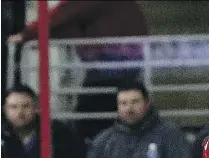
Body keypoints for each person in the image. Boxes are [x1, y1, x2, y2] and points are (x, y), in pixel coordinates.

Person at [8, 0, 148, 141]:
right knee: (106, 114)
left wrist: (27, 34)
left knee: (90, 116)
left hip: (112, 60)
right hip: (125, 59)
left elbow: (63, 14)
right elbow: (67, 23)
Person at [81, 81, 193, 158]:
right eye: (123, 103)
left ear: (147, 103)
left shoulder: (171, 135)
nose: (129, 108)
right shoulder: (104, 140)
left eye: (135, 102)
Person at [1, 84, 85, 158]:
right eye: (13, 107)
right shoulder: (2, 135)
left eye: (26, 106)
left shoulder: (59, 132)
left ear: (36, 107)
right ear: (5, 110)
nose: (20, 113)